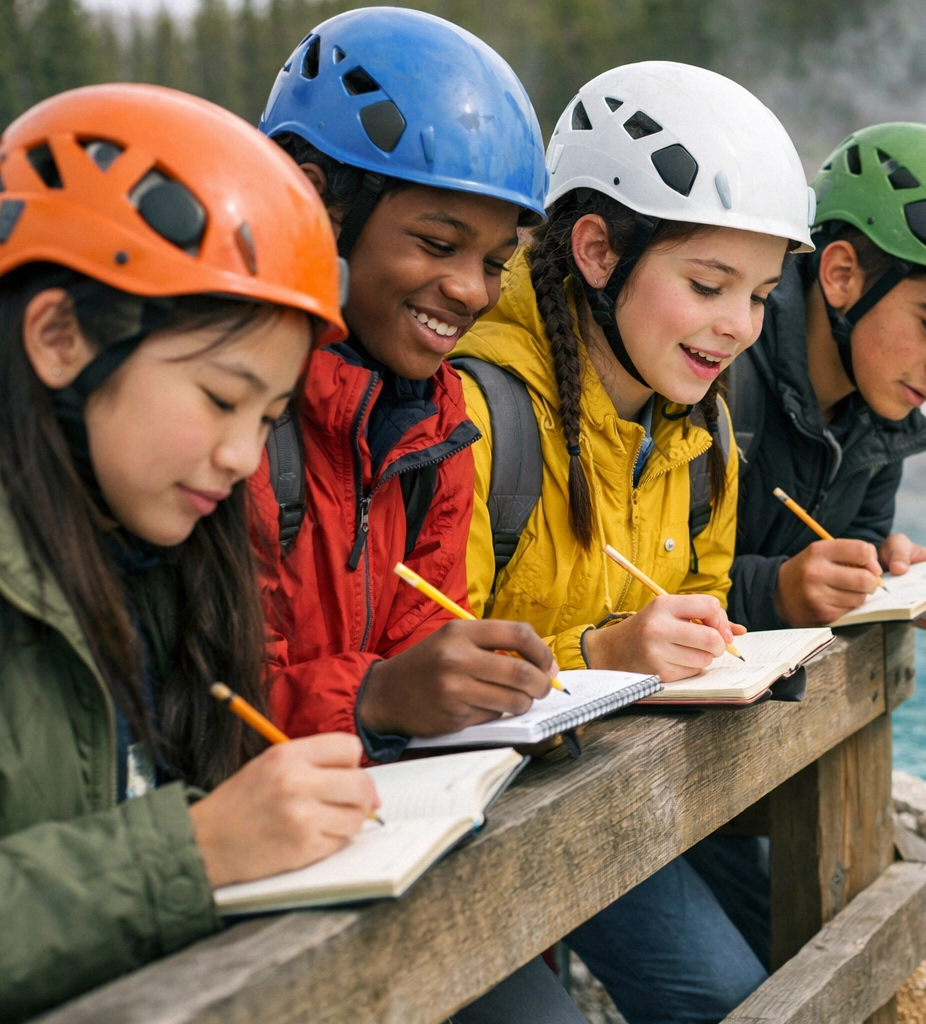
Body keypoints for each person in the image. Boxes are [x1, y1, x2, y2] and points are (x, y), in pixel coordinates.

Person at [0, 83, 379, 1023]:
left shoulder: (162, 552)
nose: (245, 457)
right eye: (218, 397)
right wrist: (193, 852)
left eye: (271, 418)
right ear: (60, 335)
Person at [450, 63, 811, 1023]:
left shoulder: (701, 431)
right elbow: (425, 661)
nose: (738, 327)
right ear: (599, 251)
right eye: (707, 284)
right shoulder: (481, 413)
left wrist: (703, 639)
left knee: (728, 1002)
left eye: (763, 296)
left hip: (593, 803)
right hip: (459, 829)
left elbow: (696, 589)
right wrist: (603, 655)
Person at [252, 13, 588, 1021]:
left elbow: (419, 642)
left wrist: (476, 685)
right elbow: (190, 707)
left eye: (493, 261)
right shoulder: (228, 426)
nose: (469, 291)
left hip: (382, 850)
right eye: (438, 243)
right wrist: (381, 700)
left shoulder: (439, 425)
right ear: (312, 205)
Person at [725, 122, 926, 631]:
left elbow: (836, 575)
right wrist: (774, 594)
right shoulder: (718, 374)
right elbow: (627, 586)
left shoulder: (881, 420)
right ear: (842, 276)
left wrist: (883, 583)